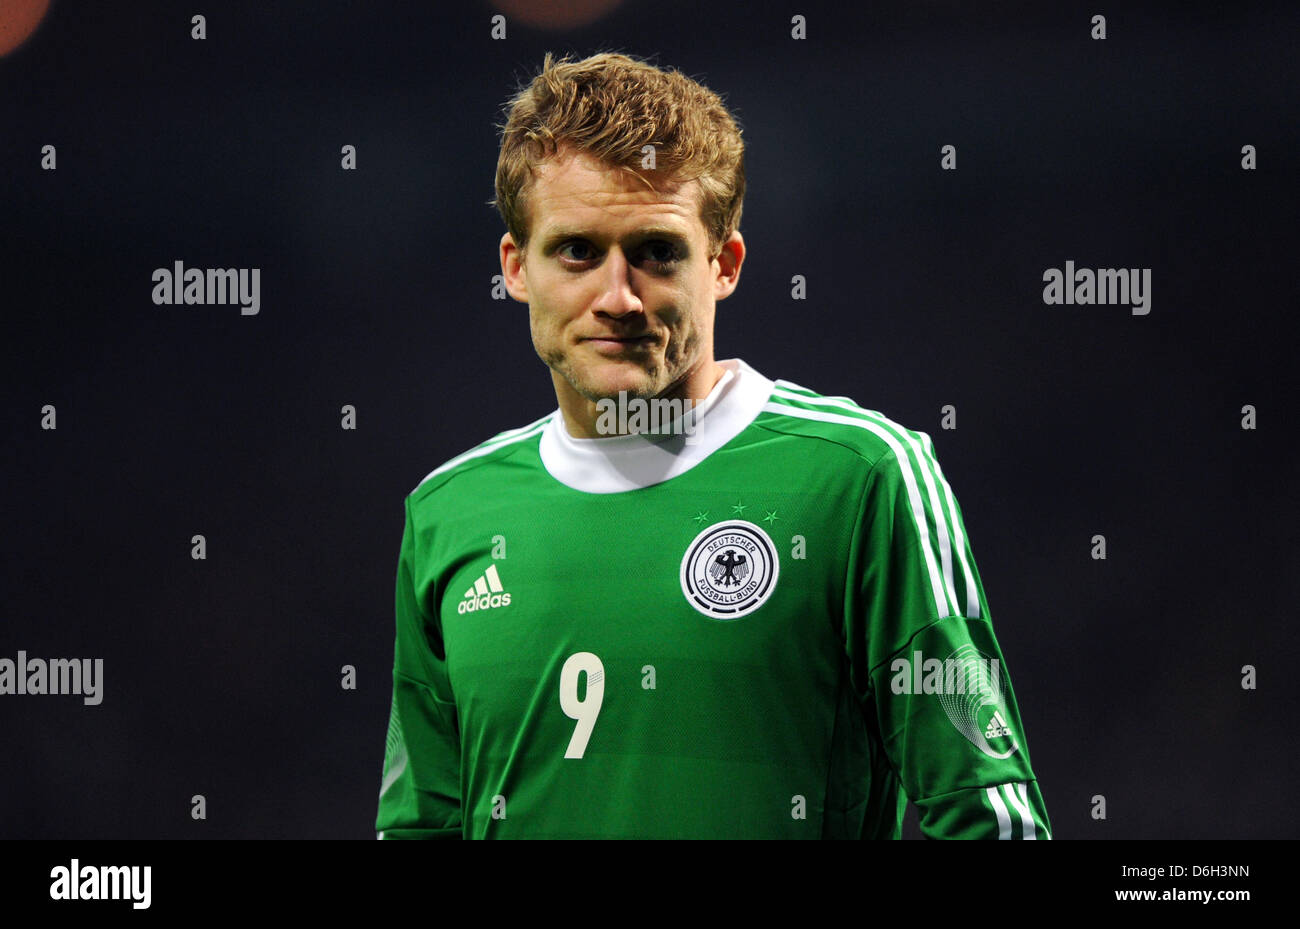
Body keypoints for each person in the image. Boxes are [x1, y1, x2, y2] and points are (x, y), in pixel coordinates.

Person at [375, 51, 1051, 839]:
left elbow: (988, 818)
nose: (618, 296)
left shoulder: (859, 477)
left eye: (657, 251)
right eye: (577, 251)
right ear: (515, 268)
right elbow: (420, 826)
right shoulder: (449, 513)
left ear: (723, 263)